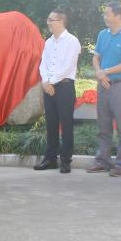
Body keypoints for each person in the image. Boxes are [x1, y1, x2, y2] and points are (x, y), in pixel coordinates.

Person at [87, 2, 121, 177]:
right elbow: (96, 58)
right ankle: (103, 161)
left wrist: (106, 72)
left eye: (107, 13)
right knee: (103, 126)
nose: (104, 16)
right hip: (103, 85)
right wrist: (100, 74)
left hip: (120, 86)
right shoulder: (103, 34)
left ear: (118, 15)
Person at [32, 9, 79, 174]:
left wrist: (51, 82)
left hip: (64, 87)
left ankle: (65, 161)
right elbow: (43, 64)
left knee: (66, 125)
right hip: (48, 87)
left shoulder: (72, 41)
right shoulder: (49, 42)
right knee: (51, 125)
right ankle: (50, 159)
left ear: (61, 22)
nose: (48, 22)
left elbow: (68, 66)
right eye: (48, 19)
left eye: (51, 20)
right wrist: (46, 82)